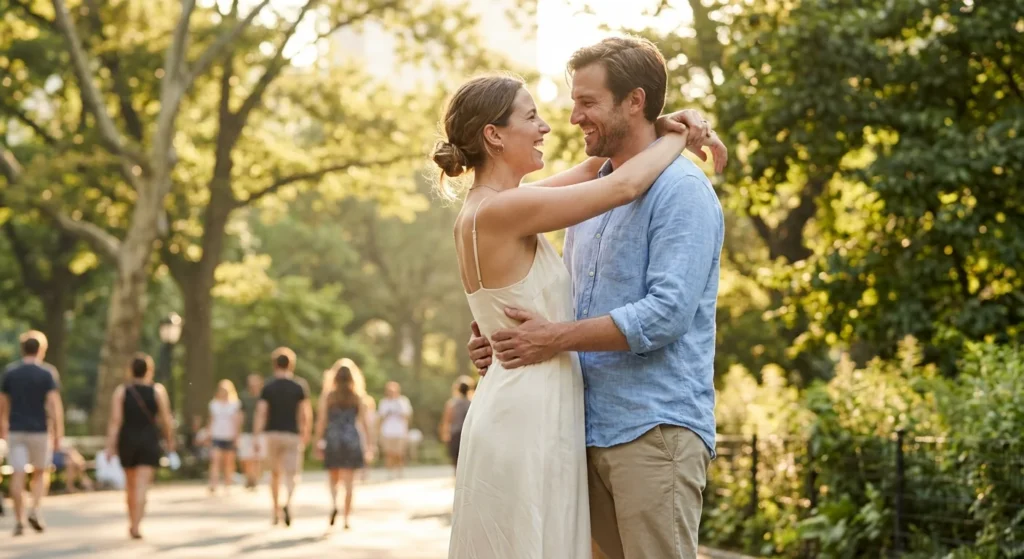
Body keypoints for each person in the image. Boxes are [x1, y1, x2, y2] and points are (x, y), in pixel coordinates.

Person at [465, 37, 726, 559]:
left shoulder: (681, 191)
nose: (570, 118)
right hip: (581, 431)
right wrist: (501, 332)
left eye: (587, 102)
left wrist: (550, 337)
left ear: (633, 100)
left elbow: (665, 314)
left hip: (653, 431)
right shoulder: (582, 197)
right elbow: (564, 294)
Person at [104, 353, 176, 540]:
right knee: (143, 485)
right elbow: (166, 419)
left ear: (130, 370)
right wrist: (170, 441)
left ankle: (132, 521)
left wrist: (110, 446)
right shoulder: (157, 391)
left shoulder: (122, 391)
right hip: (149, 440)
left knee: (130, 484)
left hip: (128, 440)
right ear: (149, 370)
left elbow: (115, 421)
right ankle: (137, 524)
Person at [0, 330, 64, 536]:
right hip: (40, 431)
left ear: (22, 349)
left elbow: (3, 405)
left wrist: (2, 426)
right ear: (41, 350)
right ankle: (35, 509)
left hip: (16, 430)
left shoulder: (10, 373)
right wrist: (58, 432)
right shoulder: (47, 373)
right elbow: (54, 405)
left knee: (17, 474)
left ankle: (19, 520)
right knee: (40, 472)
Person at [253, 347, 312, 527]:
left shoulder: (268, 387)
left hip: (272, 434)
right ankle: (288, 502)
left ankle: (275, 510)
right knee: (292, 474)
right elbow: (304, 413)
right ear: (291, 365)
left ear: (274, 364)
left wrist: (257, 435)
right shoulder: (298, 386)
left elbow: (262, 413)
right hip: (292, 434)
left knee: (275, 474)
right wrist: (306, 432)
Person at [313, 362, 374, 530]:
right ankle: (346, 519)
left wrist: (317, 442)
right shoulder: (358, 397)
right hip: (351, 439)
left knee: (333, 478)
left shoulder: (329, 396)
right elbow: (365, 423)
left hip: (333, 439)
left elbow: (322, 421)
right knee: (349, 483)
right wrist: (370, 444)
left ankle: (334, 504)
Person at [207, 379, 243, 494]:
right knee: (215, 461)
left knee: (229, 463)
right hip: (217, 435)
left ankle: (228, 485)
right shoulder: (214, 404)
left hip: (230, 436)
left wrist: (237, 436)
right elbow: (211, 420)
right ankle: (213, 484)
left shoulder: (235, 404)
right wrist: (209, 433)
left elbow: (238, 421)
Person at [376, 381, 412, 479]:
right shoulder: (384, 402)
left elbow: (407, 416)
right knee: (389, 453)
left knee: (399, 453)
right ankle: (390, 472)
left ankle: (400, 471)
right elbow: (380, 417)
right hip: (387, 432)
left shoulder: (403, 401)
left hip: (400, 432)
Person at [438, 377, 473, 473]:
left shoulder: (452, 403)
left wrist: (445, 433)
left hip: (456, 432)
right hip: (470, 433)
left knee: (456, 456)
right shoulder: (473, 402)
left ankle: (457, 475)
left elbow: (447, 420)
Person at [237, 373, 265, 490]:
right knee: (245, 457)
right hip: (246, 430)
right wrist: (238, 430)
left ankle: (254, 479)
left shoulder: (264, 397)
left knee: (257, 457)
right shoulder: (244, 397)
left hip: (261, 431)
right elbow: (240, 414)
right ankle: (249, 476)